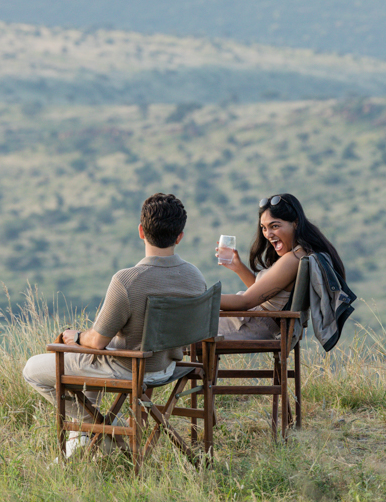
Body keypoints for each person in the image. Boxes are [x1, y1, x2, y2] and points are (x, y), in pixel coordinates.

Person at [22, 193, 206, 455]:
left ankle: (102, 430)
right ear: (179, 236)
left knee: (32, 369)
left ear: (142, 232)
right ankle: (89, 439)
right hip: (168, 368)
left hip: (128, 369)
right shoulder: (195, 277)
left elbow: (97, 342)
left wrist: (75, 336)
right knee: (87, 370)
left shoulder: (127, 280)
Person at [215, 193, 346, 340]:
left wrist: (200, 298)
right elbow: (265, 295)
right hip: (253, 320)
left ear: (295, 223)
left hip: (251, 323)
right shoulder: (299, 255)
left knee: (190, 329)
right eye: (264, 228)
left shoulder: (293, 259)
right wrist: (238, 267)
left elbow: (245, 302)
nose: (268, 234)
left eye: (274, 226)